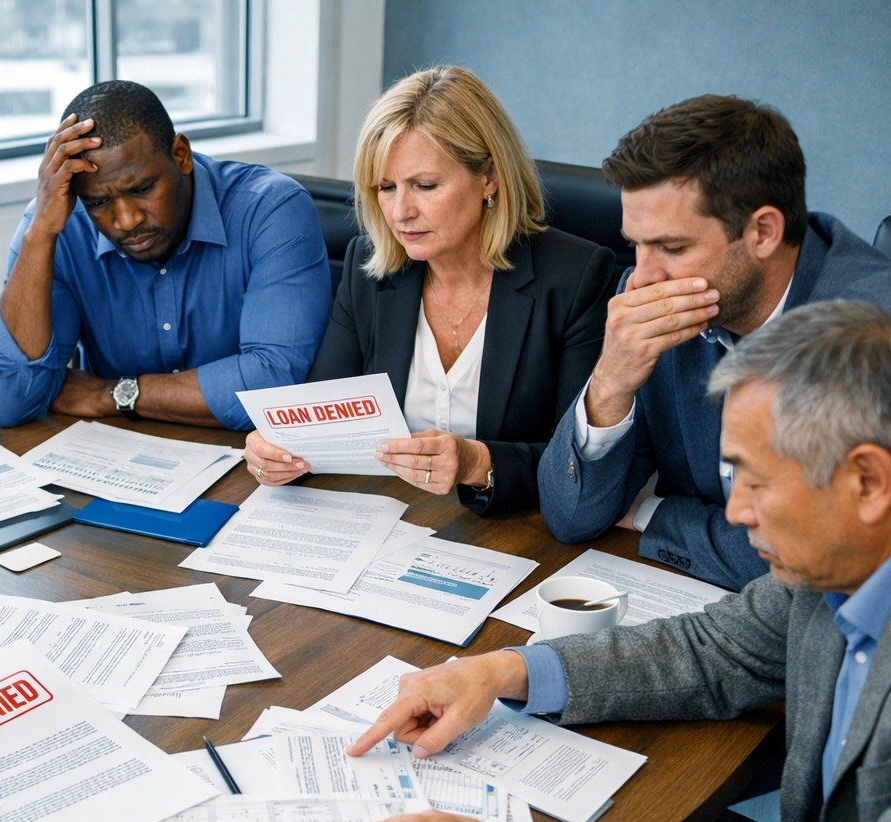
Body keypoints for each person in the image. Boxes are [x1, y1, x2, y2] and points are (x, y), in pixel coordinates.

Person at [323, 301, 891, 822]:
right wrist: (502, 672)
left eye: (756, 482)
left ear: (868, 481)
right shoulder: (847, 557)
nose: (735, 513)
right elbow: (713, 650)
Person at [538, 95, 891, 591]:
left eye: (673, 247)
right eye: (634, 244)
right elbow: (571, 517)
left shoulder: (879, 338)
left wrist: (656, 516)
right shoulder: (653, 298)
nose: (641, 277)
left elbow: (822, 566)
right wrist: (609, 384)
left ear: (763, 232)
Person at [243, 67, 620, 514]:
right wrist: (276, 451)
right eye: (386, 187)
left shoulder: (575, 276)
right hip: (388, 519)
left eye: (425, 186)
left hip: (515, 529)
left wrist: (478, 462)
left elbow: (580, 466)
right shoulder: (369, 271)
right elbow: (324, 421)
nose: (400, 212)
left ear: (489, 178)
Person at [0, 80, 331, 430]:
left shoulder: (270, 209)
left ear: (181, 155)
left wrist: (113, 394)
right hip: (122, 459)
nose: (127, 220)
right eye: (99, 202)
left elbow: (273, 384)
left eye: (142, 189)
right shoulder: (56, 224)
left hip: (256, 463)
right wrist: (40, 236)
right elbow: (10, 400)